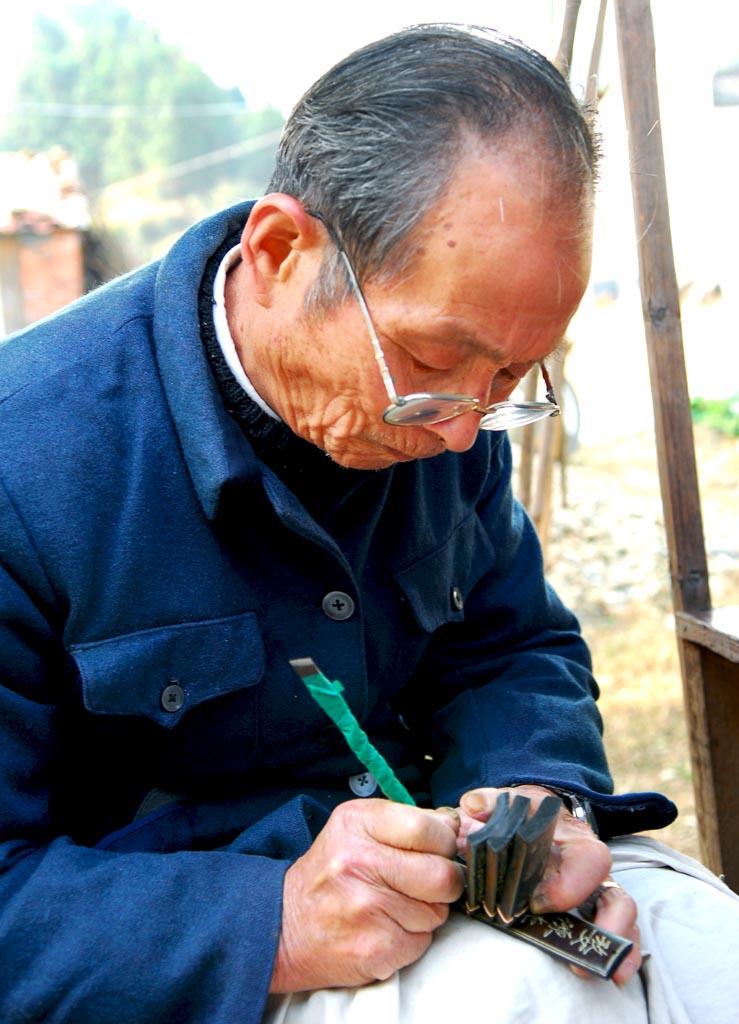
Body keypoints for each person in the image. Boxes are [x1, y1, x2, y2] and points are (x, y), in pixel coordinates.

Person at [0, 23, 736, 1024]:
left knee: (712, 956)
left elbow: (508, 646)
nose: (465, 430)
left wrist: (531, 797)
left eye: (513, 376)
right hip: (201, 964)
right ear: (279, 251)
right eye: (435, 362)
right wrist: (271, 920)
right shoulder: (28, 464)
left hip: (432, 892)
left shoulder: (449, 411)